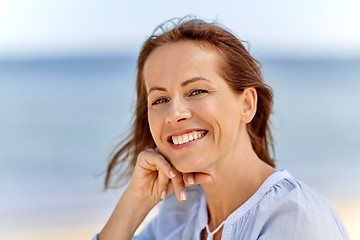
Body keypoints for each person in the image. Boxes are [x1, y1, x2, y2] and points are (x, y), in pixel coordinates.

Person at [94, 17, 349, 240]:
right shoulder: (179, 214)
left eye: (197, 91)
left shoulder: (294, 220)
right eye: (160, 100)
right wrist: (135, 202)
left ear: (247, 105)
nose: (174, 114)